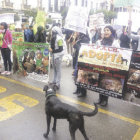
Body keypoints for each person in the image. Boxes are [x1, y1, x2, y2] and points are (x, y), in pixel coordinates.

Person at [96, 25, 120, 106]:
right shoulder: (100, 41)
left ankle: (105, 100)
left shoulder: (115, 42)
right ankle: (100, 98)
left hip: (109, 66)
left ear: (111, 32)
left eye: (108, 30)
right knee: (100, 81)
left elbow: (118, 53)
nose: (106, 32)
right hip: (100, 65)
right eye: (105, 30)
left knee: (106, 82)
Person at [73, 32, 90, 97]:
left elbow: (82, 50)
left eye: (77, 31)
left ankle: (83, 92)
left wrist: (75, 45)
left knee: (81, 75)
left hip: (82, 59)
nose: (76, 32)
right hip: (78, 58)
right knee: (77, 75)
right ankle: (78, 90)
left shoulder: (85, 39)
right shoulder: (79, 37)